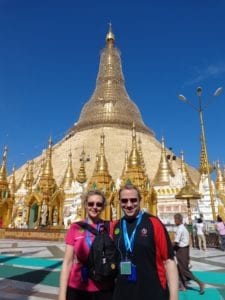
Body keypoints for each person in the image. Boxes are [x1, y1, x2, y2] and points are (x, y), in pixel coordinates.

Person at [112, 184, 178, 300]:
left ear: (140, 200)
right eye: (124, 201)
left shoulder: (154, 223)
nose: (129, 205)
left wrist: (174, 297)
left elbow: (169, 260)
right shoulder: (117, 226)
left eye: (133, 200)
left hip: (152, 291)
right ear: (119, 202)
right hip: (123, 292)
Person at [58, 189, 114, 300]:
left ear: (103, 207)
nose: (94, 207)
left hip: (103, 286)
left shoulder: (110, 227)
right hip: (77, 286)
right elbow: (67, 262)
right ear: (85, 205)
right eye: (90, 203)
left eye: (99, 204)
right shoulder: (75, 228)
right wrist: (62, 294)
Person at [173, 213, 205, 294]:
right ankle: (182, 286)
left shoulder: (179, 229)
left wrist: (169, 246)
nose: (174, 221)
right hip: (185, 250)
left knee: (184, 270)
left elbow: (176, 242)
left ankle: (200, 283)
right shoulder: (184, 228)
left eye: (175, 219)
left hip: (181, 251)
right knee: (179, 268)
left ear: (178, 220)